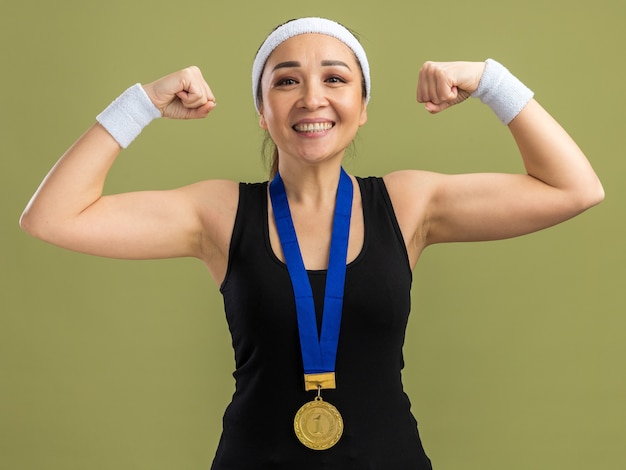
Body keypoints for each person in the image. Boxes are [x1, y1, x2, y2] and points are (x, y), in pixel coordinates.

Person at [20, 17, 603, 470]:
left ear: (363, 107)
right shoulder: (219, 213)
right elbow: (53, 217)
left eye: (335, 78)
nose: (311, 98)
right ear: (262, 111)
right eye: (286, 81)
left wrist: (489, 82)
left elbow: (574, 187)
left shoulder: (408, 204)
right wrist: (142, 103)